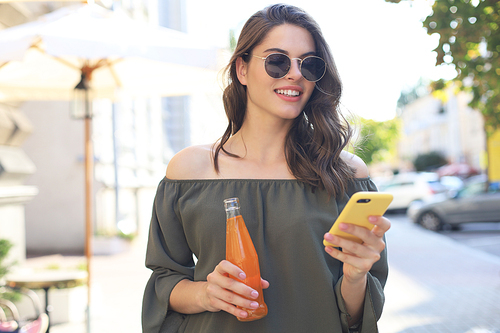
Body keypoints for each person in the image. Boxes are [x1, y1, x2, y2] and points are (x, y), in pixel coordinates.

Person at [142, 4, 390, 333]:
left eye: (309, 64)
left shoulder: (346, 175)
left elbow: (358, 317)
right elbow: (165, 281)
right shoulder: (190, 170)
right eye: (277, 61)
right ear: (242, 70)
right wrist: (207, 293)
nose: (295, 74)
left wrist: (356, 276)